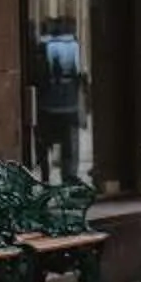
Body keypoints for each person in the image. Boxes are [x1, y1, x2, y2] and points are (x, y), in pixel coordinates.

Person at [34, 16, 84, 183]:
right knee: (69, 145)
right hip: (70, 105)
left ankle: (45, 175)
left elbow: (39, 77)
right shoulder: (74, 45)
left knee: (44, 142)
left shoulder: (42, 47)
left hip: (47, 106)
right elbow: (79, 76)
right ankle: (69, 176)